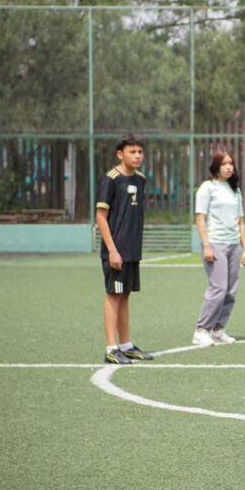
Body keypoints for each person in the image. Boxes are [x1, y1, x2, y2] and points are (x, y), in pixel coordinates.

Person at [95, 135, 154, 364]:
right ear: (120, 154)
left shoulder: (141, 179)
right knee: (114, 294)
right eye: (132, 152)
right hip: (116, 251)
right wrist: (112, 250)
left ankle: (127, 345)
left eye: (140, 152)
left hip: (131, 250)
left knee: (125, 294)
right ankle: (111, 348)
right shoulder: (111, 179)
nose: (137, 156)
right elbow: (101, 217)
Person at [192, 151, 245, 346]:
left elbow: (240, 221)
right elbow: (200, 218)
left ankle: (217, 329)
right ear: (216, 167)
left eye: (231, 163)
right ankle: (201, 330)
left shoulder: (235, 191)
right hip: (215, 243)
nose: (228, 167)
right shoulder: (207, 188)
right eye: (224, 164)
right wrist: (207, 246)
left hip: (234, 245)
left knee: (231, 291)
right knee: (218, 288)